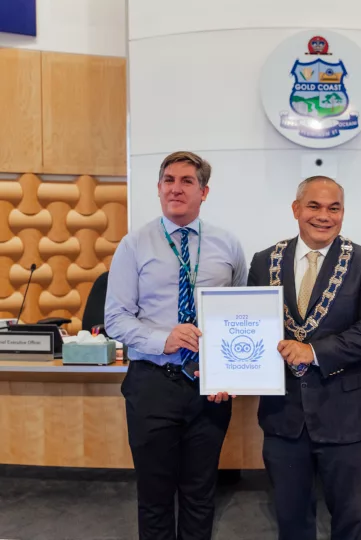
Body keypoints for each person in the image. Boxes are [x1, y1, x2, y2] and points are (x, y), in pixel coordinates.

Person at [105, 151, 247, 540]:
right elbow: (115, 318)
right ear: (158, 188)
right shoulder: (133, 245)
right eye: (169, 180)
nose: (176, 188)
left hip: (209, 387)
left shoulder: (228, 245)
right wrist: (161, 339)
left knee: (201, 493)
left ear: (204, 191)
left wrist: (230, 371)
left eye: (187, 181)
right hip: (152, 383)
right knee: (154, 496)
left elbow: (242, 315)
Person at [248, 176, 361, 540]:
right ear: (296, 209)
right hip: (283, 417)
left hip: (346, 416)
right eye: (314, 206)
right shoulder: (264, 260)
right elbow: (249, 325)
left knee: (349, 522)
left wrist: (313, 351)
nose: (324, 216)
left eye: (334, 208)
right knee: (291, 521)